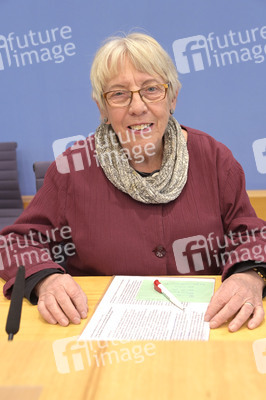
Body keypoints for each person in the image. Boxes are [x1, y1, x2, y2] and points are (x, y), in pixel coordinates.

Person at [0, 33, 265, 332]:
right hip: (98, 334)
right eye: (118, 94)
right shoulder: (70, 170)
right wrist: (45, 280)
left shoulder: (214, 158)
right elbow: (16, 243)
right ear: (102, 107)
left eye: (152, 89)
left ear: (173, 97)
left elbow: (249, 233)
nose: (137, 107)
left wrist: (249, 276)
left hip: (206, 329)